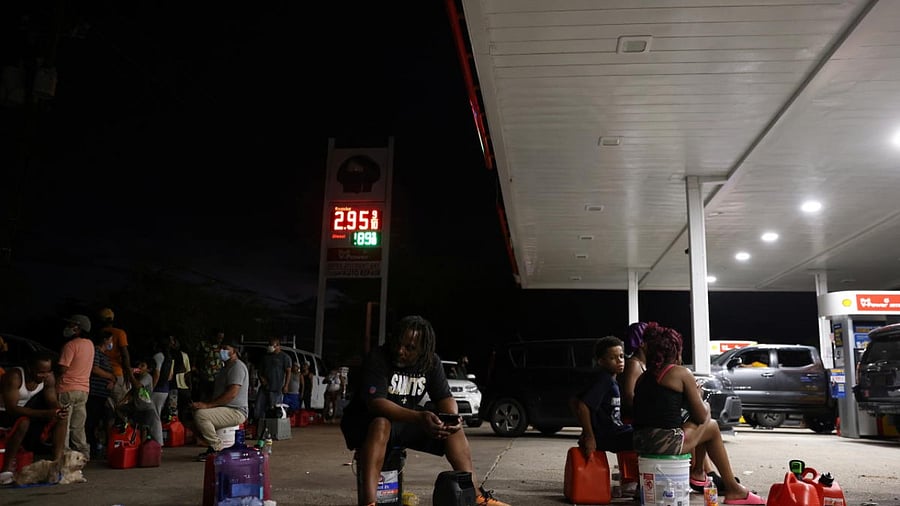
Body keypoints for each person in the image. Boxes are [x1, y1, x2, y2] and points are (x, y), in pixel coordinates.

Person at [340, 315, 510, 506]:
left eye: (410, 348)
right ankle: (369, 503)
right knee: (382, 422)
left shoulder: (430, 362)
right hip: (366, 424)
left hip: (405, 421)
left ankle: (476, 496)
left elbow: (444, 397)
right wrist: (419, 417)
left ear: (423, 350)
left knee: (453, 431)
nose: (400, 350)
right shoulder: (379, 357)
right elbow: (376, 404)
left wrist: (450, 418)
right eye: (398, 343)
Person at [632, 325, 765, 505]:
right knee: (711, 424)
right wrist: (700, 396)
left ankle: (699, 473)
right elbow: (702, 416)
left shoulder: (643, 377)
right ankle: (731, 487)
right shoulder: (680, 373)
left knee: (702, 425)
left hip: (640, 441)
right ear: (675, 350)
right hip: (663, 442)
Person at [0, 350, 70, 485]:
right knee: (23, 422)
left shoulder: (48, 378)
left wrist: (58, 410)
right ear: (29, 368)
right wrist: (46, 413)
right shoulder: (14, 376)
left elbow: (52, 401)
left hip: (26, 412)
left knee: (61, 418)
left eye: (47, 372)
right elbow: (12, 408)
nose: (44, 375)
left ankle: (55, 466)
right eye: (40, 372)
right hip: (5, 413)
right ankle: (6, 470)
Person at [572, 335, 633, 459]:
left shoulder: (610, 379)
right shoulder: (604, 380)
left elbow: (573, 400)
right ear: (601, 361)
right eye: (612, 358)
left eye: (621, 356)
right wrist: (590, 436)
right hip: (609, 436)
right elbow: (582, 405)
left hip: (616, 431)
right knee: (649, 437)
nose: (619, 361)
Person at [191, 337, 249, 461]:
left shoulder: (237, 367)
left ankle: (217, 449)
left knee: (201, 415)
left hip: (236, 410)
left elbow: (232, 393)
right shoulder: (225, 367)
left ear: (235, 351)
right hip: (223, 408)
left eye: (225, 349)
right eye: (221, 348)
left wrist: (208, 406)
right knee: (189, 416)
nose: (222, 351)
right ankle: (211, 446)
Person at [57, 314, 95, 460]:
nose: (68, 328)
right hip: (83, 390)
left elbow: (63, 368)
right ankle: (83, 454)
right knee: (78, 426)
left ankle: (65, 456)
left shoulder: (70, 345)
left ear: (78, 328)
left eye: (72, 325)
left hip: (67, 388)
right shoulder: (90, 345)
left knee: (64, 426)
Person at [86, 329, 116, 459]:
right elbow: (95, 369)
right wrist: (110, 376)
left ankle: (100, 446)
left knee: (105, 419)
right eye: (111, 340)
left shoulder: (105, 356)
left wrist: (112, 380)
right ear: (105, 340)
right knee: (91, 421)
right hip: (95, 392)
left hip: (103, 393)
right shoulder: (96, 352)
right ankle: (92, 447)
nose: (112, 343)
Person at [97, 307, 134, 406]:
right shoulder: (119, 333)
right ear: (112, 319)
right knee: (121, 407)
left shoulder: (98, 334)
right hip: (117, 373)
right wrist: (128, 373)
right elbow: (125, 355)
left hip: (100, 375)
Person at [253, 337, 292, 421]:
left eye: (272, 345)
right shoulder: (265, 357)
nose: (270, 347)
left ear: (278, 346)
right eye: (269, 345)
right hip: (264, 388)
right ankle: (259, 427)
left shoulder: (284, 357)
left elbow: (288, 372)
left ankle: (272, 428)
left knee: (274, 411)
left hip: (276, 389)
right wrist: (262, 379)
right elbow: (260, 372)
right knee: (258, 409)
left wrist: (286, 385)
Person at [128, 358, 163, 444]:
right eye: (139, 365)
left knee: (144, 428)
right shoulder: (140, 377)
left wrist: (131, 375)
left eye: (142, 365)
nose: (139, 367)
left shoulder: (147, 377)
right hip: (138, 407)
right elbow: (132, 391)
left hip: (146, 408)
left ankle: (143, 450)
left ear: (148, 369)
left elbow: (137, 386)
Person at [194, 329, 225, 402]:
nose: (220, 340)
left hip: (216, 378)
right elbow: (196, 356)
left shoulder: (222, 347)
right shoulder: (203, 344)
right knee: (202, 398)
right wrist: (195, 367)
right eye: (218, 337)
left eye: (222, 338)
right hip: (204, 376)